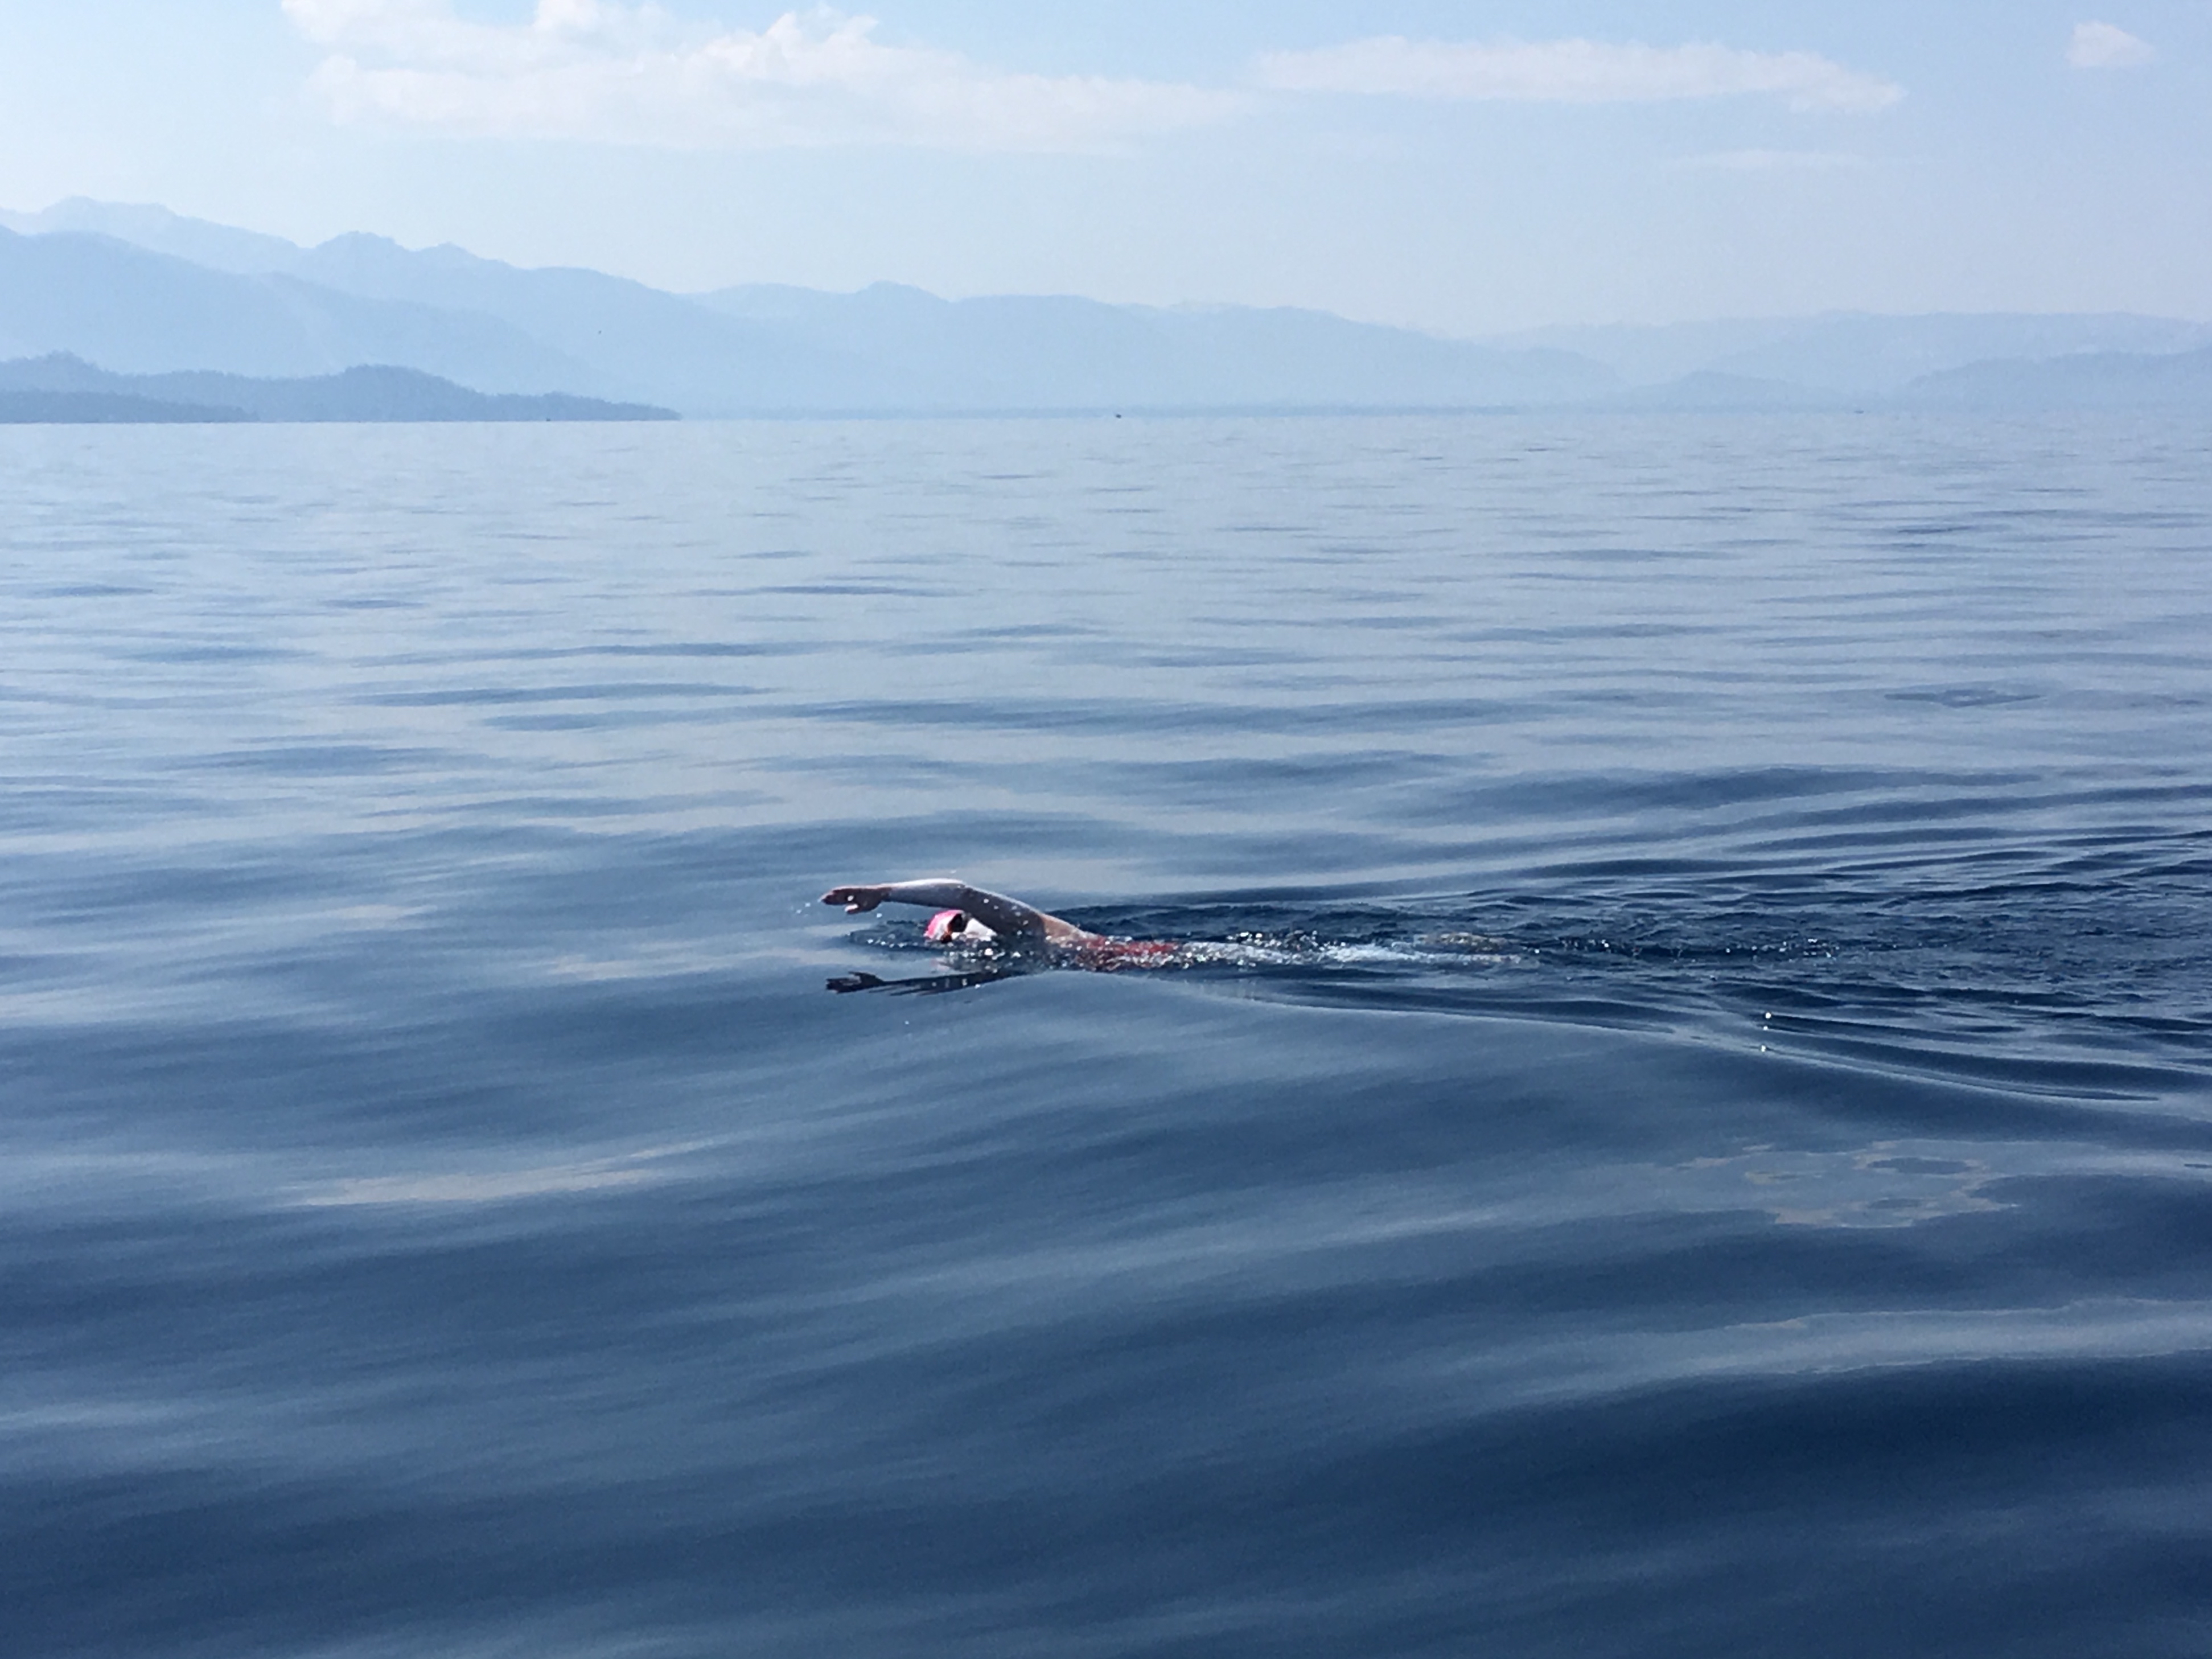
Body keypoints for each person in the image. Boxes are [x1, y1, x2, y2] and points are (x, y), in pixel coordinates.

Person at [821, 878, 1178, 971]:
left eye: (955, 929)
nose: (957, 938)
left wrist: (884, 893)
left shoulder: (1024, 926)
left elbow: (962, 893)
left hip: (1142, 957)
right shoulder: (1012, 946)